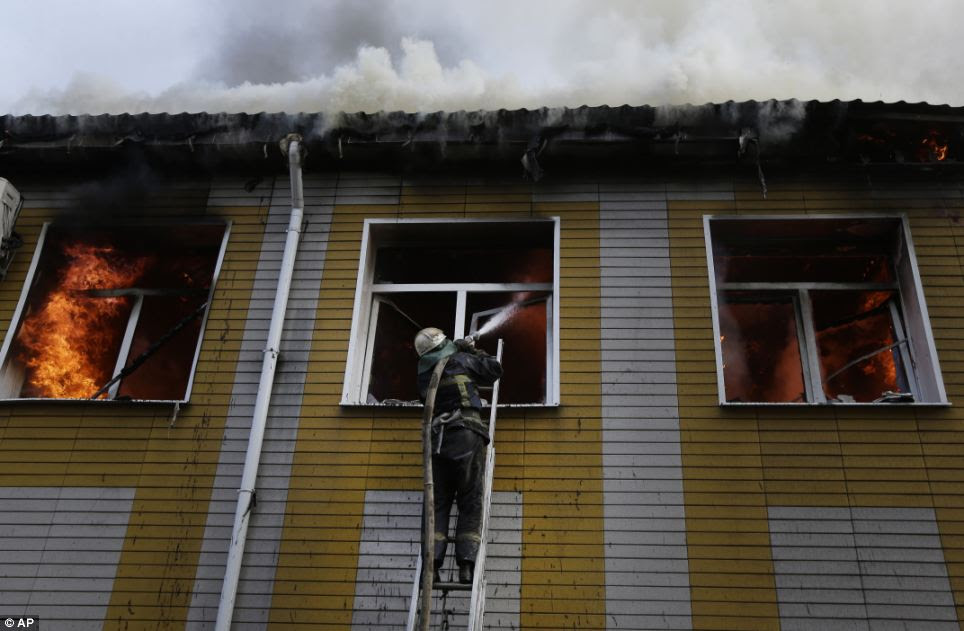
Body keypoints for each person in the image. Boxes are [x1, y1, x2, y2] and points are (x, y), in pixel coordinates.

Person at [414, 327, 502, 584]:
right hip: (466, 435)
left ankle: (432, 567)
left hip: (436, 443)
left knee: (437, 504)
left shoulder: (423, 374)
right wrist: (471, 348)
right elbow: (494, 369)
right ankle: (466, 565)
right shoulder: (462, 360)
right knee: (470, 500)